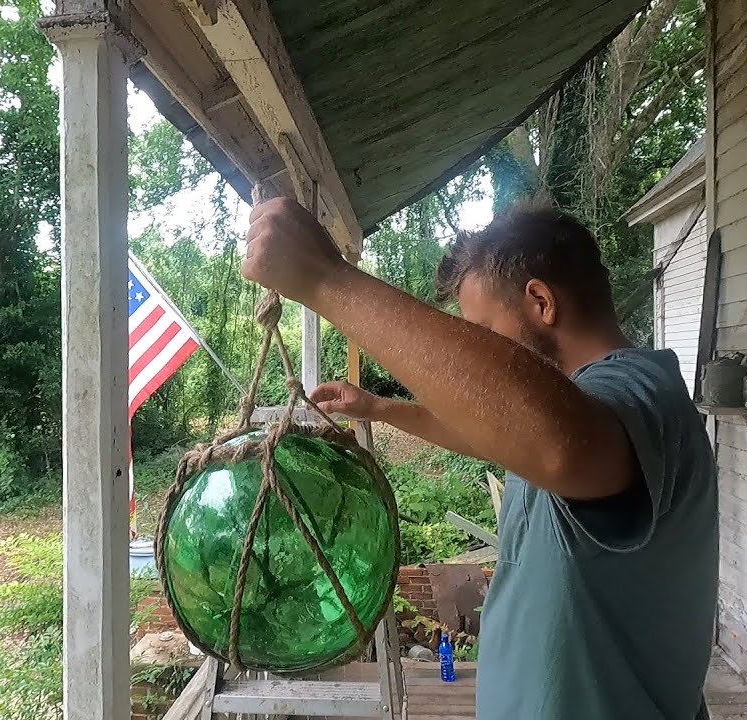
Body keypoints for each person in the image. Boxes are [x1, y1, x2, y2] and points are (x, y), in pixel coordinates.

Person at [242, 195, 719, 720]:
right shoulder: (583, 410)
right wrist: (381, 408)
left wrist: (325, 278)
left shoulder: (638, 393)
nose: (483, 353)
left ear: (541, 302)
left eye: (485, 335)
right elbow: (497, 432)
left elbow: (556, 445)